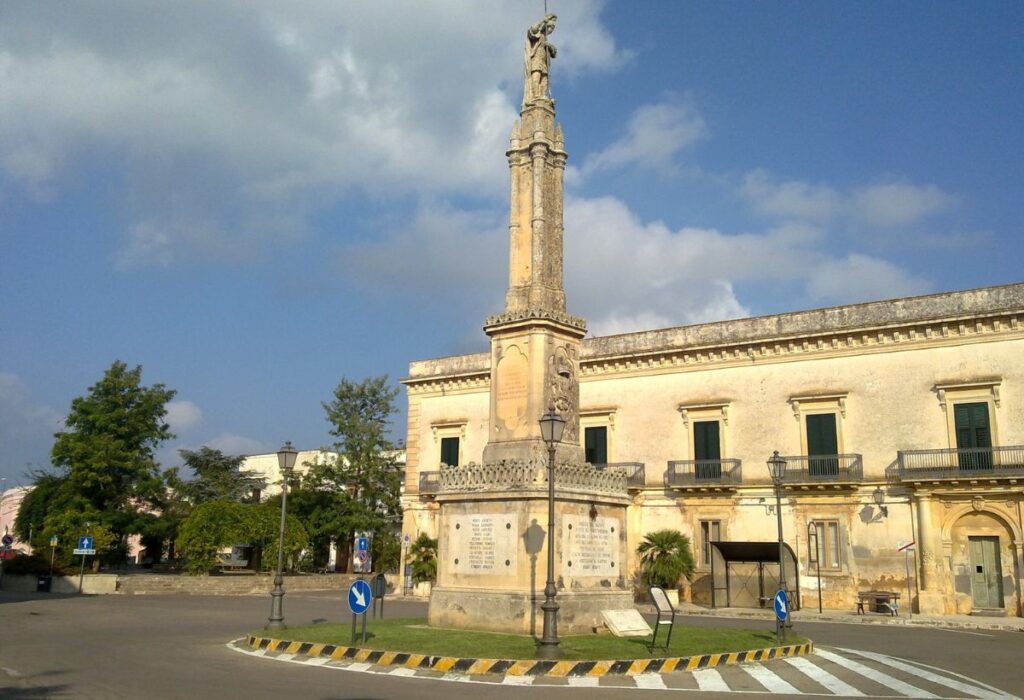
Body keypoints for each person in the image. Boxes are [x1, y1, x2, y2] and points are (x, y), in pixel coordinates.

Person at [525, 14, 557, 102]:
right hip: (536, 59)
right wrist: (543, 21)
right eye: (550, 28)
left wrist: (550, 47)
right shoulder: (538, 35)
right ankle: (536, 95)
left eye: (552, 29)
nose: (550, 30)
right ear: (546, 26)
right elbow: (532, 30)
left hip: (544, 62)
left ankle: (542, 95)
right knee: (536, 76)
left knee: (544, 79)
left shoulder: (546, 40)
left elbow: (554, 54)